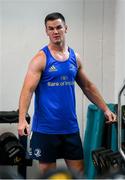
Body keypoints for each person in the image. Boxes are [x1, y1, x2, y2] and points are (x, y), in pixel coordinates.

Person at [18, 12, 116, 175]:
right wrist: (22, 120)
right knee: (49, 175)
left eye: (58, 27)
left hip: (70, 127)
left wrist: (105, 109)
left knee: (78, 173)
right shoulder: (40, 59)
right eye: (51, 29)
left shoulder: (74, 58)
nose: (55, 31)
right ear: (46, 31)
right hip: (46, 129)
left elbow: (87, 86)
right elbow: (27, 90)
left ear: (66, 28)